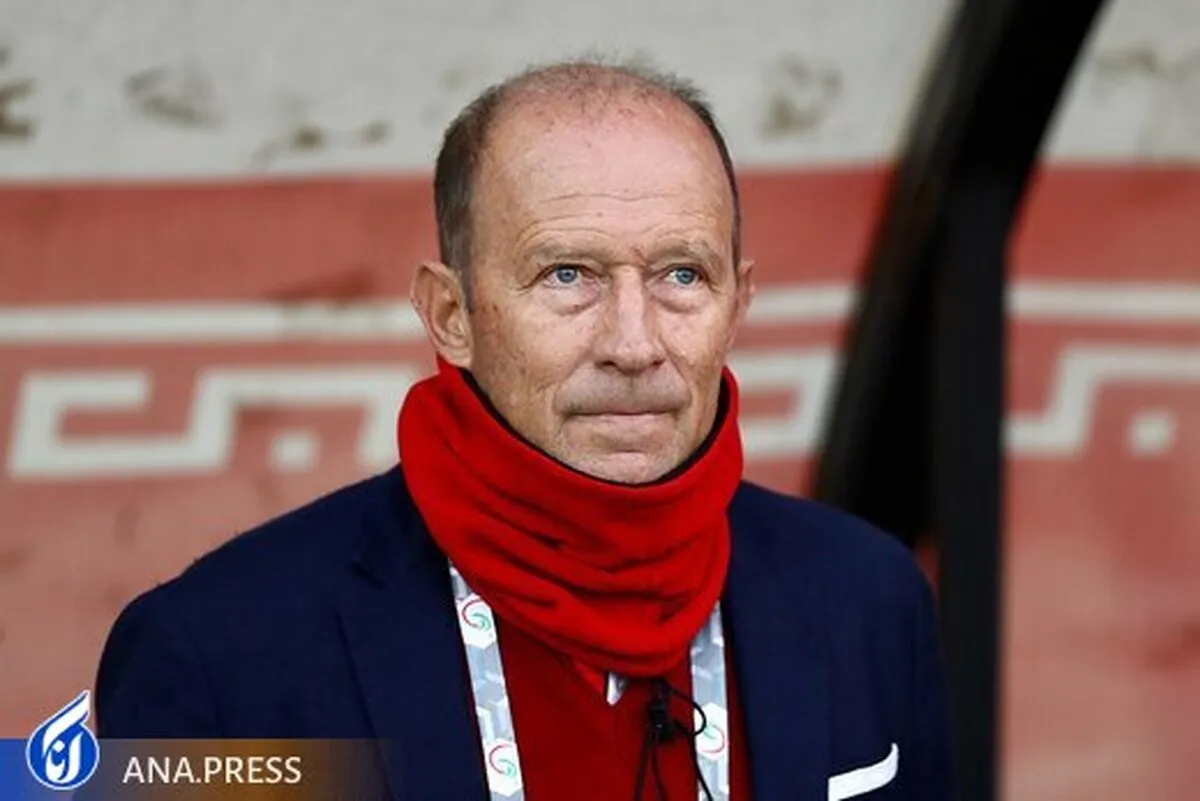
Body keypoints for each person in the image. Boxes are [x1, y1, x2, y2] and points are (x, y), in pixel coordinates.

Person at [92, 59, 956, 801]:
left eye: (682, 274)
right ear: (451, 314)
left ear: (739, 302)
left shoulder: (867, 598)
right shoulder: (219, 654)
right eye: (568, 274)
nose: (633, 343)